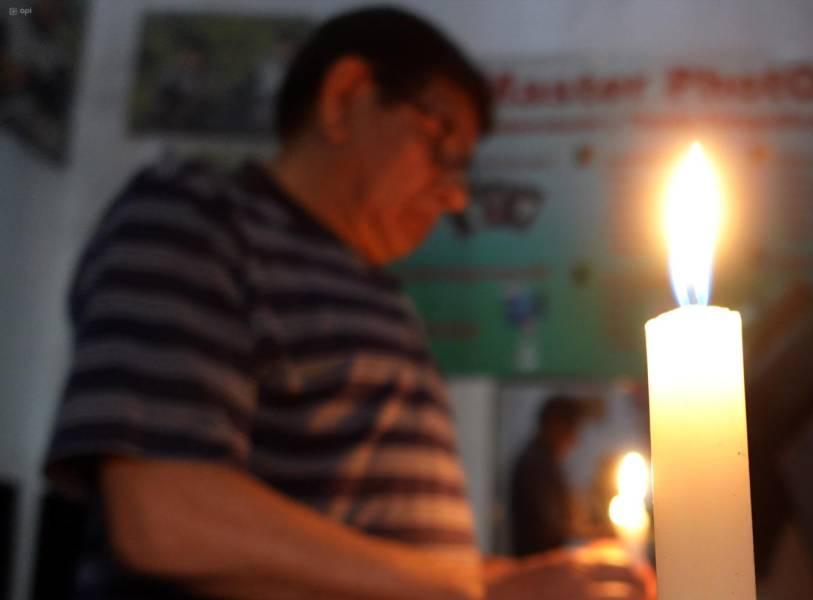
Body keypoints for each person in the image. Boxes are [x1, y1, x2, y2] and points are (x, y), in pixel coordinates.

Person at [43, 7, 648, 600]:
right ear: (345, 98)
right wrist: (475, 592)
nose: (457, 198)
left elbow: (391, 562)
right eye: (444, 147)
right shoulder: (196, 216)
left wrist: (519, 581)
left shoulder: (383, 295)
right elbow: (165, 516)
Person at [510, 396, 586, 557]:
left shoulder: (543, 460)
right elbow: (553, 525)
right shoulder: (535, 464)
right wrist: (596, 531)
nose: (575, 440)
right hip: (536, 563)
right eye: (572, 430)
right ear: (555, 425)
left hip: (541, 561)